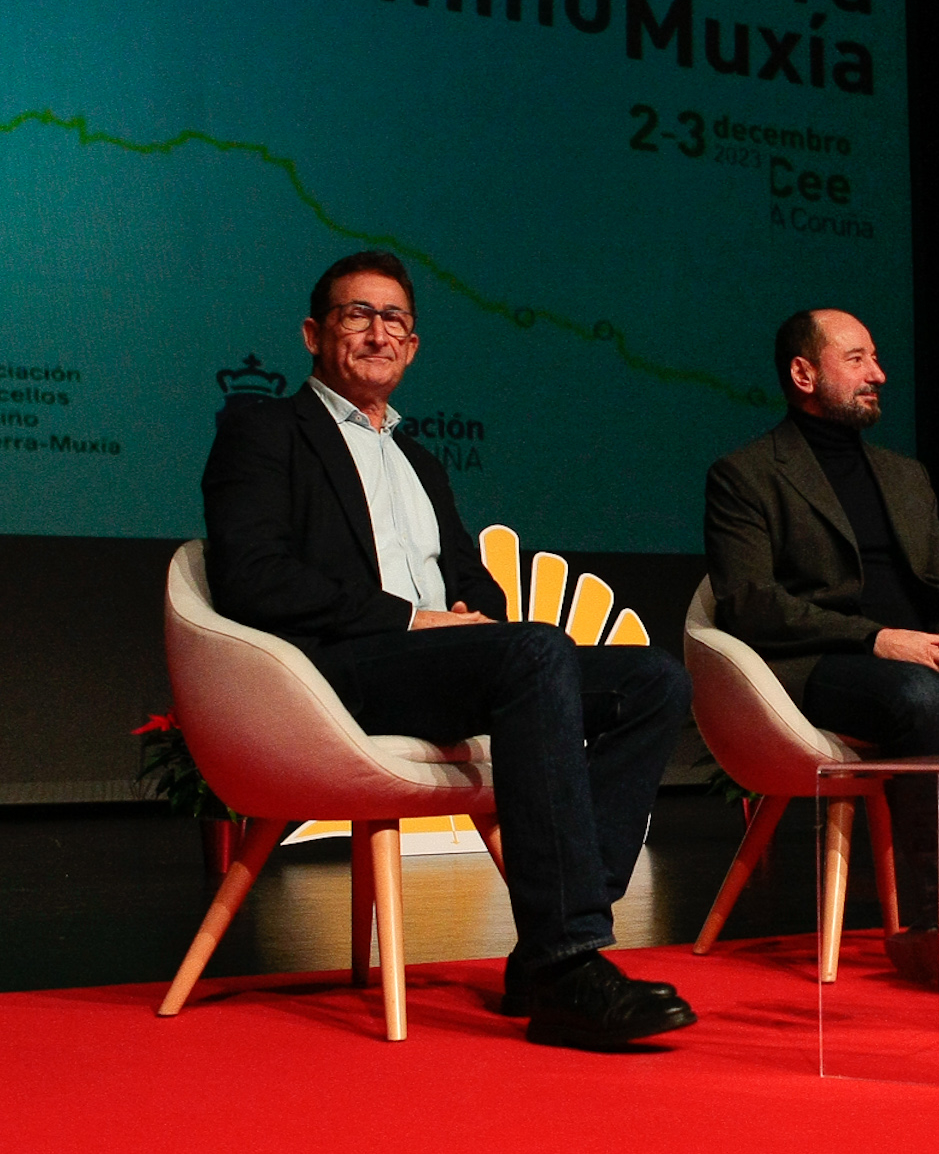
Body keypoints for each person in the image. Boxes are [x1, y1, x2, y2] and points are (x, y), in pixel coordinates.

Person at [202, 250, 695, 1048]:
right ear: (313, 334)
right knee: (533, 652)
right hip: (337, 674)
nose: (378, 334)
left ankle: (547, 950)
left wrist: (474, 616)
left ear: (414, 344)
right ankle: (568, 964)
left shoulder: (420, 460)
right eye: (358, 315)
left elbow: (470, 579)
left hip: (444, 670)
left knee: (652, 680)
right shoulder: (263, 431)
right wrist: (411, 622)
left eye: (395, 319)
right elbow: (251, 577)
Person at [703, 308, 939, 992]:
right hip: (825, 665)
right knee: (914, 695)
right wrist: (877, 638)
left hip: (925, 658)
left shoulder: (905, 476)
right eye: (856, 359)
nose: (878, 374)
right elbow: (749, 602)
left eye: (876, 358)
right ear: (803, 374)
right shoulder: (747, 475)